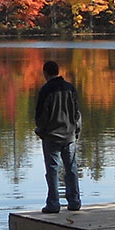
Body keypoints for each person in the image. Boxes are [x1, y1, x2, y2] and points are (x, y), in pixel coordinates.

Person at [34, 61, 81, 213]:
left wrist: (41, 131)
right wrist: (77, 130)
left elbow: (41, 116)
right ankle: (74, 202)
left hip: (51, 137)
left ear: (45, 73)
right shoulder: (70, 88)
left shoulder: (45, 90)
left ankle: (53, 204)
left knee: (52, 171)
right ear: (58, 71)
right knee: (71, 169)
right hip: (69, 136)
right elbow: (76, 113)